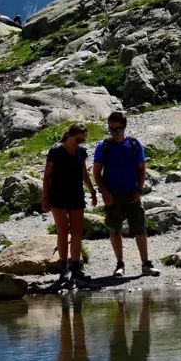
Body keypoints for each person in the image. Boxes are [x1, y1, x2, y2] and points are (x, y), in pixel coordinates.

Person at [92, 111, 157, 278]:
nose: (114, 132)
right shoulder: (103, 147)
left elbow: (142, 169)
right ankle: (120, 264)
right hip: (112, 195)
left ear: (124, 127)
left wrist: (139, 190)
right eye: (111, 129)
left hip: (132, 193)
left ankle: (146, 264)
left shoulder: (134, 145)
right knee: (115, 230)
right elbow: (97, 172)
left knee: (140, 228)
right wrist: (104, 192)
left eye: (117, 129)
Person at [42, 123, 95, 286]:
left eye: (83, 140)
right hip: (58, 195)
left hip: (76, 195)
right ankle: (63, 268)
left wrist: (92, 191)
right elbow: (47, 176)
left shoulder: (81, 152)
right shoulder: (56, 151)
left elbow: (84, 174)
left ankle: (76, 268)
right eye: (79, 139)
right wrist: (45, 197)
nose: (81, 143)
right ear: (70, 136)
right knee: (63, 232)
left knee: (77, 232)